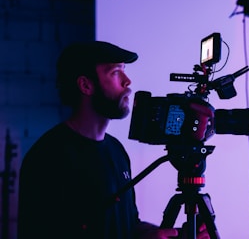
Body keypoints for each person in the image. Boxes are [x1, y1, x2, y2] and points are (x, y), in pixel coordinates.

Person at [17, 41, 210, 239]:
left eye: (124, 71)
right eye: (115, 72)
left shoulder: (116, 150)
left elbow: (128, 225)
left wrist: (172, 235)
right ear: (85, 85)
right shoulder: (49, 157)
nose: (127, 81)